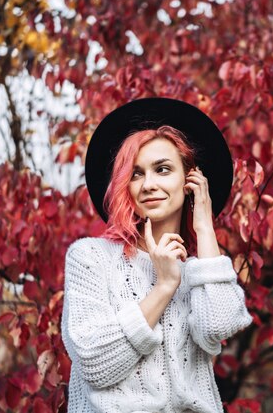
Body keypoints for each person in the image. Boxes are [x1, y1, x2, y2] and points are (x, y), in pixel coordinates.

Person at [60, 98, 253, 413]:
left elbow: (218, 326)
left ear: (189, 180)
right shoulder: (91, 257)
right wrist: (164, 287)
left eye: (162, 169)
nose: (148, 184)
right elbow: (96, 364)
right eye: (136, 174)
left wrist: (204, 228)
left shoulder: (199, 272)